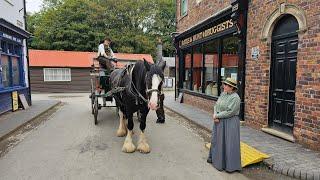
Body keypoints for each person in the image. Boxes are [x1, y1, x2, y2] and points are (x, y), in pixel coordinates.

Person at [207, 77, 241, 172]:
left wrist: (217, 115)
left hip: (230, 123)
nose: (224, 86)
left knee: (229, 143)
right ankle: (217, 161)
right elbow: (216, 105)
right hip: (219, 121)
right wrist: (215, 115)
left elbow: (230, 112)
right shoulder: (223, 94)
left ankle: (229, 166)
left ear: (232, 87)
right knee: (217, 141)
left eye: (226, 85)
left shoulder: (235, 98)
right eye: (224, 84)